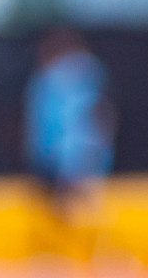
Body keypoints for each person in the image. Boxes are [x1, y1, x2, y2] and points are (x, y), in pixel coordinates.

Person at [24, 27, 115, 259]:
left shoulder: (55, 80)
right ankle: (94, 254)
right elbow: (102, 113)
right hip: (75, 151)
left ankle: (72, 254)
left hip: (67, 152)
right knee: (81, 207)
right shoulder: (77, 77)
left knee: (72, 207)